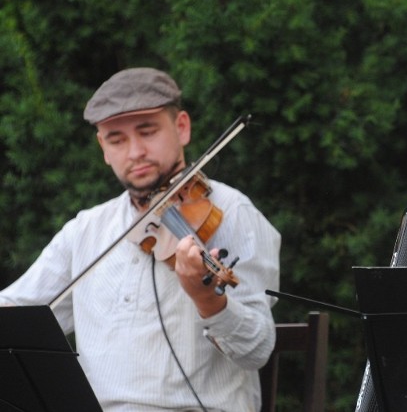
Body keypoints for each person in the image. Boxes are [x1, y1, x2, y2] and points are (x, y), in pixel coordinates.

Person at [0, 67, 281, 411]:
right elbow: (13, 314)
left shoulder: (233, 213)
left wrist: (208, 300)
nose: (134, 152)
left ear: (181, 127)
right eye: (117, 140)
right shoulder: (86, 230)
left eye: (147, 132)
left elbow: (257, 349)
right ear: (103, 147)